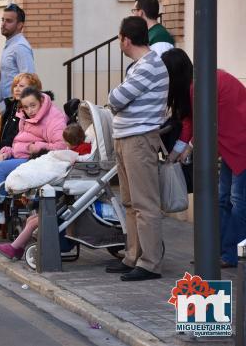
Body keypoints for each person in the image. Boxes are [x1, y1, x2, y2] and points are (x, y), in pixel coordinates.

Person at [161, 49, 246, 268]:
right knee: (225, 200)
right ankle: (217, 253)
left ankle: (230, 254)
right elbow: (191, 122)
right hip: (231, 146)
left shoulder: (201, 86)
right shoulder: (197, 84)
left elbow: (204, 123)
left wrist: (187, 148)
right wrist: (173, 156)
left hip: (240, 144)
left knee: (236, 201)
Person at [105, 16, 169, 281]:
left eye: (119, 38)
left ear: (126, 39)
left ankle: (150, 263)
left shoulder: (149, 66)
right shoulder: (139, 66)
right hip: (128, 139)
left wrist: (116, 100)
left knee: (145, 204)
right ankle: (133, 255)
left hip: (139, 140)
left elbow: (115, 98)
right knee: (130, 203)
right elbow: (119, 102)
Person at [0, 86, 66, 228]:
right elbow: (20, 141)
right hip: (24, 155)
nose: (30, 111)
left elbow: (62, 146)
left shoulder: (54, 117)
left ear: (41, 100)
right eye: (26, 107)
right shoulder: (24, 115)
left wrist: (39, 146)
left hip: (40, 159)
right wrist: (8, 151)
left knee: (2, 168)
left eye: (33, 106)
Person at [0, 123, 92, 259]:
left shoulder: (79, 153)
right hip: (67, 196)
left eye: (67, 143)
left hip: (67, 188)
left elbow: (71, 159)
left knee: (34, 221)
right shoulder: (80, 150)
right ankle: (18, 248)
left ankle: (14, 248)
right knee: (31, 220)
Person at [0, 3, 35, 103]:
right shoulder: (11, 44)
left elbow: (29, 80)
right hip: (6, 105)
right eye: (3, 20)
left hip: (15, 107)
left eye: (8, 21)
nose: (3, 24)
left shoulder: (20, 47)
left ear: (20, 25)